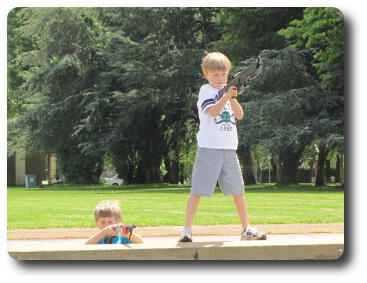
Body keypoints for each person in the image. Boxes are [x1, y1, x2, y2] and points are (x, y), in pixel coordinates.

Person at [178, 52, 267, 242]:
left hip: (229, 149)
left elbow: (240, 115)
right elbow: (212, 111)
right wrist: (227, 95)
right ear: (206, 75)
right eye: (215, 75)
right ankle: (186, 229)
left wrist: (233, 97)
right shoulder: (206, 91)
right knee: (198, 190)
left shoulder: (227, 94)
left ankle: (246, 229)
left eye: (224, 74)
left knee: (238, 190)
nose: (220, 78)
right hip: (209, 148)